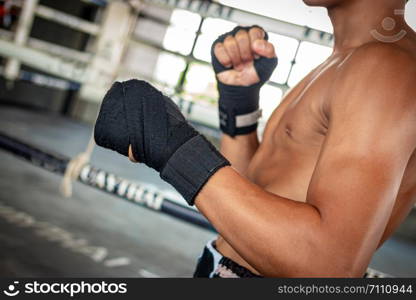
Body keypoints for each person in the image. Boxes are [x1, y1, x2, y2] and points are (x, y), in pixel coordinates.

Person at [95, 0, 416, 277]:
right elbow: (255, 192)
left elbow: (328, 267)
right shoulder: (346, 60)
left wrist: (173, 147)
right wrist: (239, 106)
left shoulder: (386, 68)